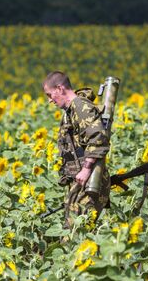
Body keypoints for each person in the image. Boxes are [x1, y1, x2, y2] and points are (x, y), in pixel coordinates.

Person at [43, 71, 111, 229]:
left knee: (77, 234)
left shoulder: (80, 106)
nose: (49, 100)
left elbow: (98, 137)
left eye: (49, 94)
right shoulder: (71, 110)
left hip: (89, 179)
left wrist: (87, 169)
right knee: (74, 231)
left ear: (59, 88)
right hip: (80, 181)